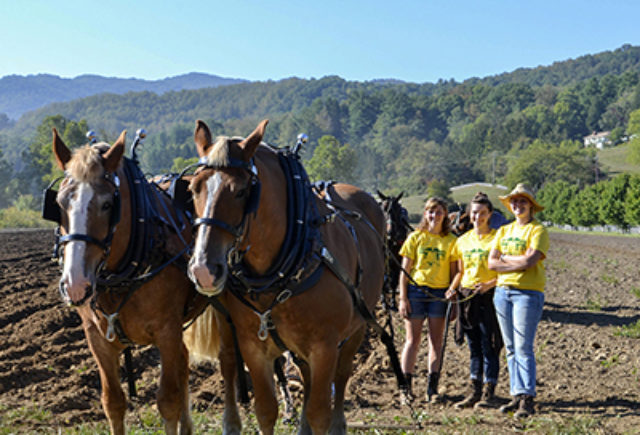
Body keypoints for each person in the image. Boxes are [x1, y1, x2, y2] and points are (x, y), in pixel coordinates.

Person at [487, 183, 549, 419]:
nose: (517, 205)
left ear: (531, 205)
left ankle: (526, 397)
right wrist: (515, 260)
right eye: (514, 201)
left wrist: (504, 258)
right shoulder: (504, 230)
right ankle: (516, 394)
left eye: (522, 201)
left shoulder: (538, 230)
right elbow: (491, 263)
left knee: (523, 347)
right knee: (511, 347)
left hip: (527, 293)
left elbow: (530, 262)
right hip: (502, 292)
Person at [398, 197, 459, 403]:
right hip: (416, 292)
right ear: (425, 214)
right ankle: (405, 388)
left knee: (436, 342)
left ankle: (432, 388)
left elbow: (454, 272)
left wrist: (453, 293)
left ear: (445, 215)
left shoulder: (451, 241)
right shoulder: (415, 238)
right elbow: (404, 272)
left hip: (439, 295)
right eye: (431, 212)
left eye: (439, 212)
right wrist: (403, 297)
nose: (435, 216)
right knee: (412, 341)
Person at [450, 192, 503, 410]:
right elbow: (461, 271)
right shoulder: (462, 241)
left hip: (488, 297)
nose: (477, 217)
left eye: (482, 213)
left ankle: (489, 392)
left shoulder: (498, 238)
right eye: (474, 213)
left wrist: (490, 284)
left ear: (489, 214)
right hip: (467, 296)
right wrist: (452, 289)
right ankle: (475, 391)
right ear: (469, 215)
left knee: (489, 344)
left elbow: (505, 270)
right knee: (474, 346)